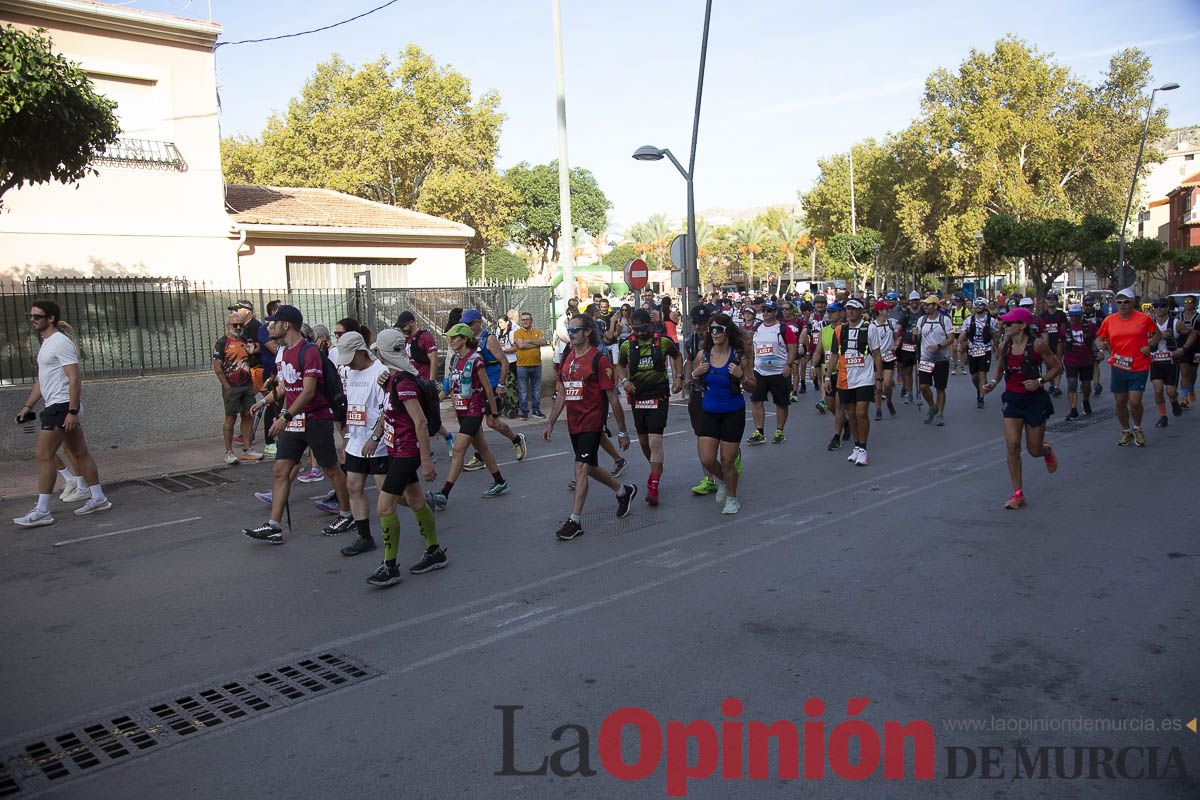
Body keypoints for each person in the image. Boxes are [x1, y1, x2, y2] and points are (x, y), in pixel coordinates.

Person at [242, 305, 350, 544]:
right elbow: (285, 387)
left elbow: (309, 391)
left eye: (275, 323)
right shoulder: (285, 352)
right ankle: (274, 526)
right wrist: (264, 402)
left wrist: (284, 417)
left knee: (331, 468)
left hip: (315, 420)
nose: (271, 327)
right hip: (294, 421)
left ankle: (347, 513)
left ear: (287, 325)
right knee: (280, 470)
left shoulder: (308, 351)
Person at [12, 300, 111, 527]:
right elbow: (42, 381)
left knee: (44, 455)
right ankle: (99, 498)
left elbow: (74, 377)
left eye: (37, 316)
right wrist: (27, 407)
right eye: (31, 316)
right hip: (56, 405)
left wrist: (72, 411)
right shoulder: (46, 343)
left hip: (62, 406)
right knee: (79, 453)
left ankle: (43, 511)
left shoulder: (60, 342)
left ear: (51, 319)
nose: (33, 320)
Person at [362, 330, 444, 586]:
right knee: (416, 500)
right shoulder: (394, 379)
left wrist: (426, 459)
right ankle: (434, 552)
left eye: (377, 350)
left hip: (406, 452)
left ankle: (390, 565)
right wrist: (376, 438)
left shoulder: (403, 383)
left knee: (384, 506)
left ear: (382, 352)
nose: (375, 354)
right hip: (398, 450)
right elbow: (390, 414)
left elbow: (419, 421)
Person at [543, 314, 636, 540]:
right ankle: (623, 491)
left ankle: (575, 521)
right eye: (570, 329)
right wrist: (551, 422)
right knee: (590, 468)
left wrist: (622, 433)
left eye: (575, 330)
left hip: (592, 421)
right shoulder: (567, 357)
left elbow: (613, 399)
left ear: (587, 332)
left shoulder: (599, 359)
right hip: (574, 423)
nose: (571, 334)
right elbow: (564, 392)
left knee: (580, 468)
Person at [981, 307, 1061, 509]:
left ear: (1023, 326)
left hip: (1034, 400)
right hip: (1013, 399)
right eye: (1004, 323)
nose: (1005, 326)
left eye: (1009, 323)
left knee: (1034, 450)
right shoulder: (1005, 344)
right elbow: (1000, 365)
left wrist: (1040, 381)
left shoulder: (1038, 345)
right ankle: (1018, 494)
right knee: (1013, 445)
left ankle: (1046, 450)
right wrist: (992, 382)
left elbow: (1057, 367)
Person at [424, 323, 509, 509]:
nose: (450, 340)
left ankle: (444, 494)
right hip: (462, 411)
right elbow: (450, 388)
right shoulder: (454, 360)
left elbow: (487, 388)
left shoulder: (476, 360)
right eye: (450, 337)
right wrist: (434, 405)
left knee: (458, 450)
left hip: (474, 410)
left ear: (464, 339)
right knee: (482, 448)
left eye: (454, 337)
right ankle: (500, 481)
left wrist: (494, 413)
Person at [328, 331, 389, 554]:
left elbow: (387, 410)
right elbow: (351, 407)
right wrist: (346, 440)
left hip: (379, 444)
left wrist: (375, 437)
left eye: (350, 358)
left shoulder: (381, 372)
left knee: (391, 492)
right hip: (356, 441)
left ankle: (420, 504)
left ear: (361, 352)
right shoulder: (349, 372)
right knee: (353, 486)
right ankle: (364, 537)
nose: (348, 364)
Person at [617, 308, 683, 506]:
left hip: (658, 395)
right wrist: (625, 379)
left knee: (655, 442)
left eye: (643, 328)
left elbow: (677, 356)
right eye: (636, 329)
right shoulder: (627, 345)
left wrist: (678, 377)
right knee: (644, 442)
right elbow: (619, 365)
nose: (639, 332)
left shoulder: (663, 342)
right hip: (638, 397)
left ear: (651, 325)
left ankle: (653, 486)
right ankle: (655, 467)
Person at [692, 313, 756, 514]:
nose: (714, 333)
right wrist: (695, 374)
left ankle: (732, 497)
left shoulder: (738, 357)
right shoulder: (703, 355)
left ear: (727, 331)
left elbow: (754, 387)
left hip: (732, 413)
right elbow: (691, 379)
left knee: (727, 460)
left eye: (718, 329)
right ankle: (723, 481)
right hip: (709, 411)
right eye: (712, 330)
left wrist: (742, 377)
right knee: (707, 460)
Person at [460, 309, 527, 469]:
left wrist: (501, 384)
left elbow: (504, 361)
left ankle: (516, 439)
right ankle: (479, 456)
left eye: (469, 324)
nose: (467, 326)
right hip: (475, 387)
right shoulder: (467, 339)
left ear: (478, 322)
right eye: (465, 324)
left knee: (492, 422)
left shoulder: (488, 339)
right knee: (475, 422)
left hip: (492, 385)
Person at [1096, 288, 1160, 447]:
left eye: (1126, 302)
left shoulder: (1144, 319)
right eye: (1119, 302)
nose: (1122, 305)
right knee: (1120, 402)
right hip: (1118, 366)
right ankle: (1126, 431)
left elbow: (1157, 334)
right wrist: (1101, 346)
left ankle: (1138, 428)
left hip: (1139, 365)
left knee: (1135, 401)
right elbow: (1099, 339)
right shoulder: (1109, 320)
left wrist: (1150, 345)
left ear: (1133, 303)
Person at [831, 299, 883, 466]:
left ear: (861, 311)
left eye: (854, 309)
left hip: (865, 377)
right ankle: (856, 446)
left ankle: (863, 448)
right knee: (851, 414)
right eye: (848, 309)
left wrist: (879, 377)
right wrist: (827, 377)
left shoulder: (870, 328)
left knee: (861, 412)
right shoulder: (839, 330)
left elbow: (876, 354)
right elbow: (834, 355)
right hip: (846, 378)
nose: (851, 312)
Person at [211, 311, 265, 464]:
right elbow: (217, 366)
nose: (239, 327)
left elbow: (255, 356)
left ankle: (247, 449)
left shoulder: (245, 340)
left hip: (247, 386)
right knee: (231, 417)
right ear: (228, 326)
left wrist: (253, 351)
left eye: (241, 325)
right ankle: (229, 452)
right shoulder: (222, 343)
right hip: (232, 387)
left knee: (248, 415)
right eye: (235, 325)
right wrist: (227, 386)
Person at [746, 301, 798, 444]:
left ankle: (779, 431)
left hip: (779, 372)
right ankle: (759, 431)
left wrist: (789, 365)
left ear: (775, 312)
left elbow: (792, 347)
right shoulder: (757, 328)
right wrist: (750, 368)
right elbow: (752, 349)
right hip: (760, 372)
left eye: (769, 310)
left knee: (781, 403)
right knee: (756, 400)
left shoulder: (783, 328)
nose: (766, 313)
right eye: (764, 310)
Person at [915, 295, 955, 425]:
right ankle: (932, 407)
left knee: (940, 388)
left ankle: (940, 414)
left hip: (941, 358)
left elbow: (951, 339)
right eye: (925, 305)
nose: (926, 307)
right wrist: (914, 335)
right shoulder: (921, 320)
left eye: (929, 304)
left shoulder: (945, 320)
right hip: (925, 358)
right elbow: (916, 339)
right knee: (923, 386)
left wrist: (939, 346)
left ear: (936, 306)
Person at [1148, 299, 1184, 428]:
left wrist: (1183, 348)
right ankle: (1163, 417)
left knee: (1171, 392)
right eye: (1156, 306)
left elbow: (1191, 334)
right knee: (1158, 390)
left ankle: (1174, 402)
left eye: (1162, 306)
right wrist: (1157, 336)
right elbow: (1143, 340)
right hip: (1156, 361)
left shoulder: (1175, 324)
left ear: (1167, 308)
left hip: (1171, 362)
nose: (1158, 308)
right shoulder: (1149, 323)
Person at [960, 297, 1000, 409]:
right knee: (974, 376)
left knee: (982, 373)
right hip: (973, 350)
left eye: (981, 305)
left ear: (985, 307)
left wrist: (997, 349)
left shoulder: (991, 320)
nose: (978, 306)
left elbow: (995, 336)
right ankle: (980, 389)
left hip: (985, 349)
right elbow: (963, 333)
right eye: (976, 305)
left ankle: (981, 398)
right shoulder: (969, 320)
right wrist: (960, 343)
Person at [257, 299, 283, 457]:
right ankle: (269, 442)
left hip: (282, 371)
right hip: (271, 373)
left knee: (282, 406)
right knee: (272, 404)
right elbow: (274, 349)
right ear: (274, 311)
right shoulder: (264, 328)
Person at [514, 311, 547, 419]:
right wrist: (535, 342)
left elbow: (543, 342)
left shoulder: (538, 331)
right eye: (523, 320)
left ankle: (536, 410)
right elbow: (521, 345)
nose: (525, 321)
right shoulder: (517, 333)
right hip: (522, 365)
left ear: (531, 320)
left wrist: (528, 341)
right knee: (523, 390)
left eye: (527, 319)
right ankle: (524, 412)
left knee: (536, 389)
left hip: (537, 364)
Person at [870, 300, 898, 420]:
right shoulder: (871, 326)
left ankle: (889, 401)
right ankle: (878, 409)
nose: (888, 311)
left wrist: (895, 346)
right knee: (878, 387)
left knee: (887, 384)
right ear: (879, 311)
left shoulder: (892, 323)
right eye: (885, 309)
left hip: (889, 357)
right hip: (876, 359)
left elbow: (897, 338)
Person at [1037, 294, 1069, 396]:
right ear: (1046, 301)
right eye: (1049, 299)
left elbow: (1065, 328)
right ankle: (1051, 384)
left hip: (1059, 342)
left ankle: (1056, 386)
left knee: (1058, 363)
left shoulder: (1061, 315)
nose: (1051, 301)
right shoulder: (1042, 316)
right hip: (1047, 343)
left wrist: (1063, 340)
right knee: (1049, 364)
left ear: (1056, 301)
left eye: (1053, 300)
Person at [895, 291, 923, 402]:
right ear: (909, 302)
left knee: (918, 371)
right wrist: (897, 337)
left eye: (916, 300)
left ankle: (918, 392)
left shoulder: (922, 313)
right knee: (907, 370)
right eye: (912, 301)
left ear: (919, 301)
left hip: (920, 344)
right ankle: (909, 392)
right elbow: (899, 327)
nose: (914, 303)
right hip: (907, 345)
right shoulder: (905, 313)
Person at [1177, 294, 1200, 408]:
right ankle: (1184, 398)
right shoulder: (1179, 317)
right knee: (1184, 372)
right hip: (1183, 347)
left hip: (1196, 348)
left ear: (1194, 304)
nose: (1187, 303)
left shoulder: (1198, 317)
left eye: (1190, 301)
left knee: (1193, 373)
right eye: (1185, 301)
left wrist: (1194, 332)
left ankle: (1191, 389)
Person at [948, 297, 970, 374]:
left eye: (959, 301)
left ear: (962, 302)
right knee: (954, 349)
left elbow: (967, 320)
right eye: (956, 301)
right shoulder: (953, 310)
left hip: (962, 331)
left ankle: (962, 366)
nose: (957, 303)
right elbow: (951, 320)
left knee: (962, 349)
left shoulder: (965, 310)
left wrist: (966, 330)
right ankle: (955, 366)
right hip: (954, 331)